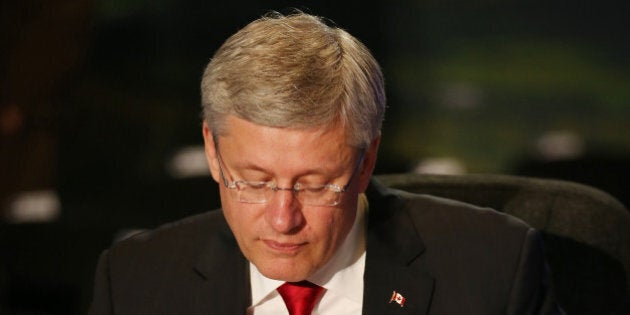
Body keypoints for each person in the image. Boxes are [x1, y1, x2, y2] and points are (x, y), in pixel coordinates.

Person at [89, 11, 562, 314]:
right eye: (253, 182)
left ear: (365, 160)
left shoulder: (493, 271)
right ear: (212, 150)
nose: (282, 219)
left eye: (315, 185)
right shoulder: (136, 283)